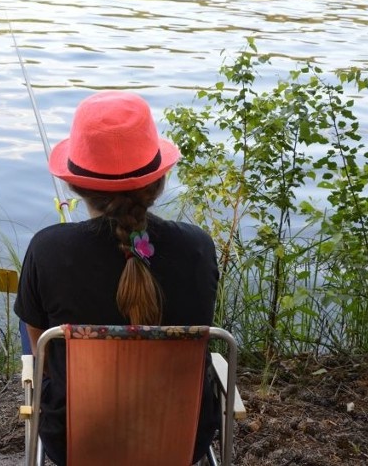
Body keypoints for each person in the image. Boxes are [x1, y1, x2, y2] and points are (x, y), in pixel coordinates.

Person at [14, 90, 220, 465]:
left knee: (38, 333)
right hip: (184, 440)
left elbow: (38, 349)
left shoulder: (47, 249)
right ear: (157, 182)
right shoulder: (198, 248)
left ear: (77, 184)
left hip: (74, 441)